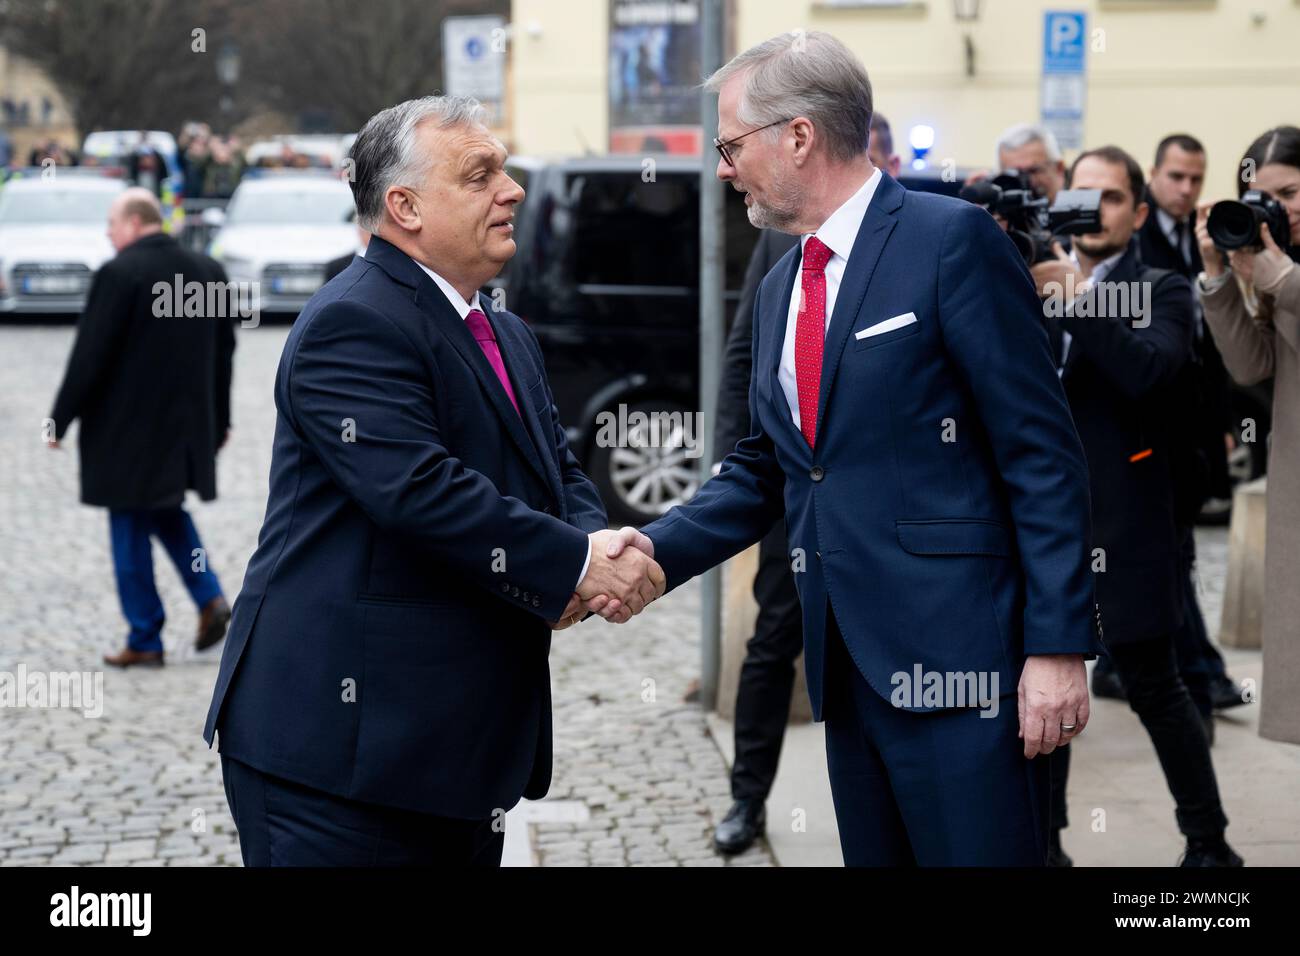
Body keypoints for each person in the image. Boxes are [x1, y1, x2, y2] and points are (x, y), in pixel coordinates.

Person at [597, 32, 1102, 866]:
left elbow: (1042, 456)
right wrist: (654, 548)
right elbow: (771, 466)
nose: (723, 169)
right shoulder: (779, 284)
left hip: (965, 673)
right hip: (848, 670)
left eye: (730, 147)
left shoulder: (953, 242)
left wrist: (1056, 648)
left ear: (797, 136)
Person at [204, 95, 665, 867]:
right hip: (340, 761)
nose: (512, 190)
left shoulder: (502, 327)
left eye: (505, 170)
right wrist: (580, 569)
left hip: (454, 757)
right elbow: (421, 490)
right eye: (480, 174)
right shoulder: (352, 322)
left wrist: (592, 539)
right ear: (405, 206)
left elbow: (554, 466)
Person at [1030, 145, 1242, 867]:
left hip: (1127, 525)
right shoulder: (1024, 284)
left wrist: (1077, 300)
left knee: (1155, 686)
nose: (1091, 211)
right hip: (1039, 530)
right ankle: (1048, 846)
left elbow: (1147, 372)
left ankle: (1209, 842)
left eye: (1110, 198)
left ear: (1139, 212)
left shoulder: (1163, 287)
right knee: (1042, 690)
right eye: (1077, 196)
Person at [710, 112, 901, 855]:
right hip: (795, 501)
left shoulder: (927, 238)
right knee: (773, 642)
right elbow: (742, 360)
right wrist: (739, 473)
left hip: (885, 517)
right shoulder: (781, 244)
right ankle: (747, 798)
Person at [48, 188, 235, 667]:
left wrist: (60, 417)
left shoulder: (120, 273)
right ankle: (210, 598)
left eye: (112, 224)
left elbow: (91, 354)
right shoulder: (206, 271)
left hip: (126, 429)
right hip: (187, 424)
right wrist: (222, 418)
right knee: (166, 508)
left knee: (129, 521)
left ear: (134, 222)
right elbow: (224, 354)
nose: (108, 234)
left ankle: (145, 637)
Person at [1195, 125, 1300, 746]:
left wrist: (1280, 277)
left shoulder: (1284, 271)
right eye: (1264, 197)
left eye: (1288, 192)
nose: (1278, 210)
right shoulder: (1278, 266)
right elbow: (1251, 366)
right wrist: (1218, 278)